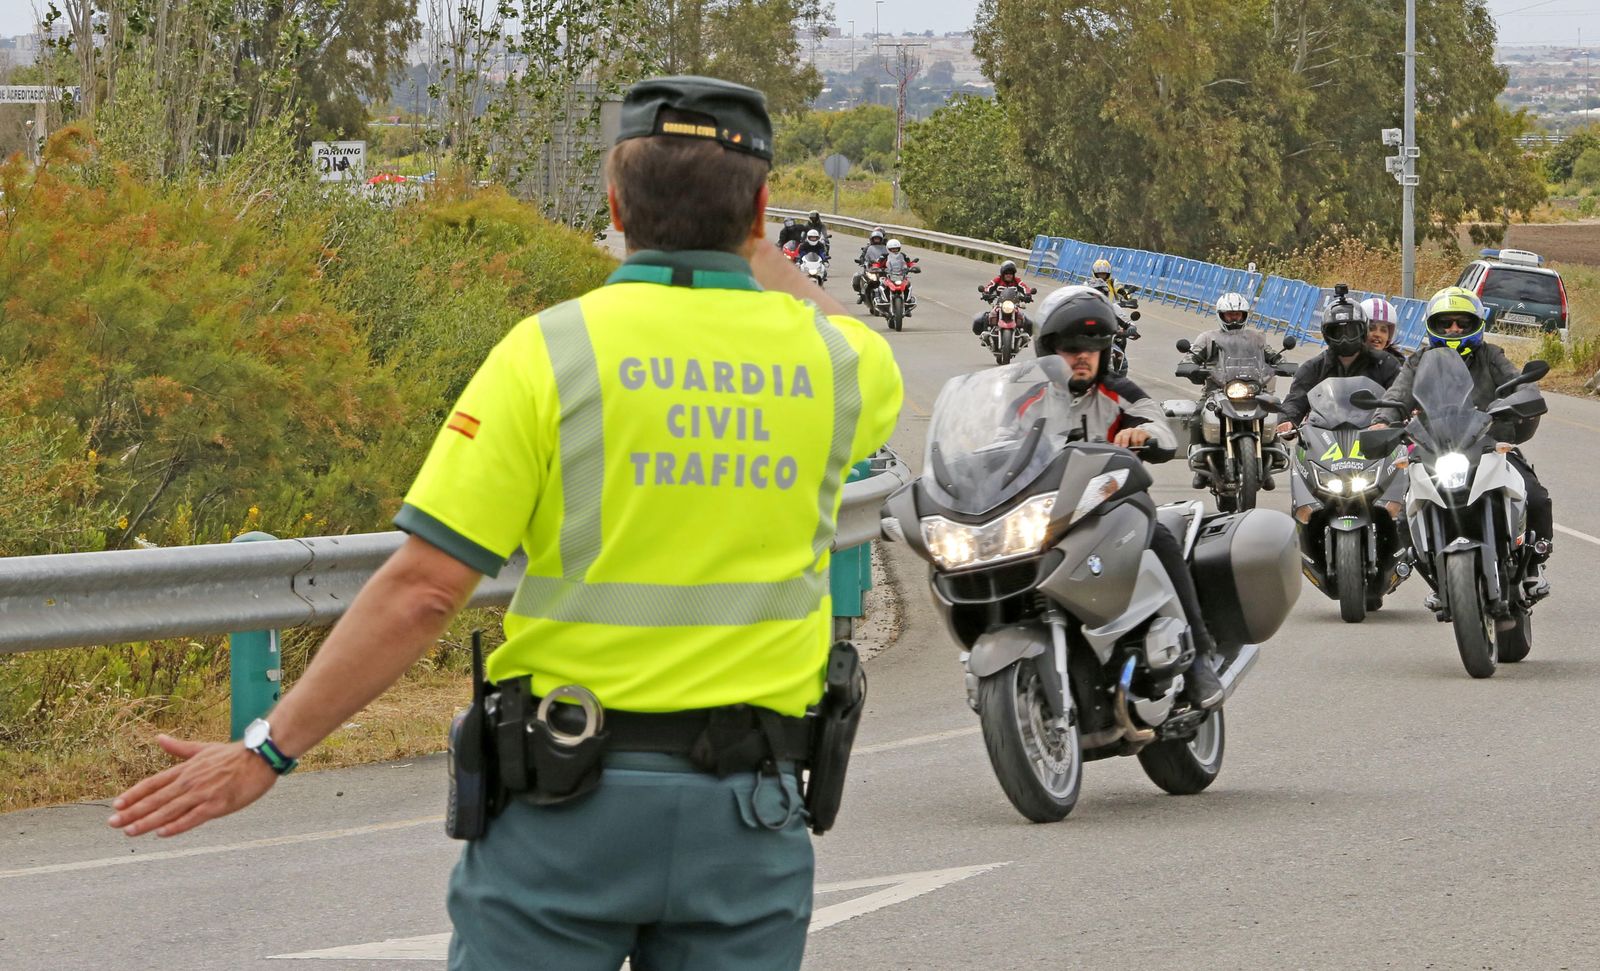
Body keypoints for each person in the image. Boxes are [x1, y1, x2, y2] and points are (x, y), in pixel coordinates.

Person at [105, 75, 904, 971]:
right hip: (748, 825)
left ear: (613, 203)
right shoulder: (839, 368)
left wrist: (268, 753)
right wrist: (759, 250)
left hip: (569, 810)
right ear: (761, 208)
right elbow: (847, 332)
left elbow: (421, 592)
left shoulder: (548, 353)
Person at [1025, 286, 1226, 711]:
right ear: (1048, 349)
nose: (1082, 356)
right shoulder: (1027, 400)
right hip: (1045, 515)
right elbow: (991, 443)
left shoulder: (1120, 392)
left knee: (1160, 540)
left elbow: (1160, 428)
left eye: (1092, 348)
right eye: (1069, 347)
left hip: (1113, 508)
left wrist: (1143, 434)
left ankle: (1199, 659)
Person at [1371, 286, 1552, 587]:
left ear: (1475, 324)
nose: (1453, 328)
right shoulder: (1419, 360)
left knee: (1535, 496)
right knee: (1404, 512)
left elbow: (1518, 382)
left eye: (1462, 322)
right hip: (1435, 449)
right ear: (1433, 326)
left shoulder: (1490, 355)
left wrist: (1523, 397)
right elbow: (1398, 395)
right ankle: (1431, 575)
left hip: (1489, 445)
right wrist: (1382, 422)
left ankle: (1533, 564)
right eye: (1446, 322)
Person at [1275, 294, 1401, 435]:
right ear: (1326, 334)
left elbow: (1399, 395)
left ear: (1360, 331)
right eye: (1338, 332)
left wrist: (1386, 420)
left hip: (1374, 439)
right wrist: (1287, 420)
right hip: (1325, 439)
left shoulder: (1389, 365)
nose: (1344, 338)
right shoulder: (1314, 367)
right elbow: (1296, 398)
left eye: (1351, 331)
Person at [972, 259, 1034, 335]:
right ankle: (986, 334)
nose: (1009, 275)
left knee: (1026, 320)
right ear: (1002, 273)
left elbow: (1025, 288)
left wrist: (1028, 295)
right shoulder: (997, 280)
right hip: (999, 304)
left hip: (1014, 305)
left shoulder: (1017, 281)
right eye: (1006, 273)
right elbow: (989, 287)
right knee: (986, 318)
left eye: (1011, 273)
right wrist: (986, 293)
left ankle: (1023, 335)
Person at [1360, 296, 1406, 363]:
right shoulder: (1347, 360)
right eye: (1371, 328)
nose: (1378, 334)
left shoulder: (1398, 365)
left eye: (1383, 330)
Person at [852, 228, 890, 306]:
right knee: (862, 277)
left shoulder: (886, 247)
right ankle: (862, 294)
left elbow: (891, 255)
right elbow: (863, 256)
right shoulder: (868, 247)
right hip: (871, 267)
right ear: (872, 239)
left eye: (878, 238)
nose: (876, 240)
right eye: (875, 238)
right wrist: (862, 261)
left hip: (883, 267)